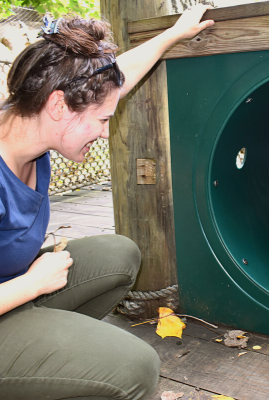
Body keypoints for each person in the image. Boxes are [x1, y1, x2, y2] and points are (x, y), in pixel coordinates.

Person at [0, 6, 214, 400]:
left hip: (11, 290)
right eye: (102, 121)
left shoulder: (33, 120)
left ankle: (47, 367)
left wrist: (173, 35)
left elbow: (115, 79)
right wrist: (31, 285)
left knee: (119, 254)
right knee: (136, 367)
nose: (104, 133)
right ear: (59, 106)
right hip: (15, 290)